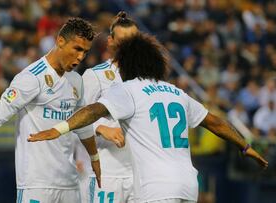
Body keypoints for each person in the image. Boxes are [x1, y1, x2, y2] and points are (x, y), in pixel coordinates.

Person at [28, 33, 268, 203]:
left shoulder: (129, 89)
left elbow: (92, 111)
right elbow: (215, 122)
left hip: (156, 187)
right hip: (188, 185)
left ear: (126, 64)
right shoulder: (176, 92)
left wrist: (59, 128)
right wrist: (244, 146)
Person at [0, 18, 101, 203]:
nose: (81, 57)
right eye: (77, 49)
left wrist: (94, 158)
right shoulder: (31, 78)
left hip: (70, 183)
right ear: (60, 41)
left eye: (85, 51)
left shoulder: (76, 80)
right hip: (36, 184)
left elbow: (82, 123)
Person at [80, 11, 138, 203]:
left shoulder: (148, 79)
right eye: (123, 40)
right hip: (107, 173)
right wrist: (101, 128)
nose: (129, 46)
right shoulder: (95, 76)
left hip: (140, 174)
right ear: (110, 41)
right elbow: (75, 118)